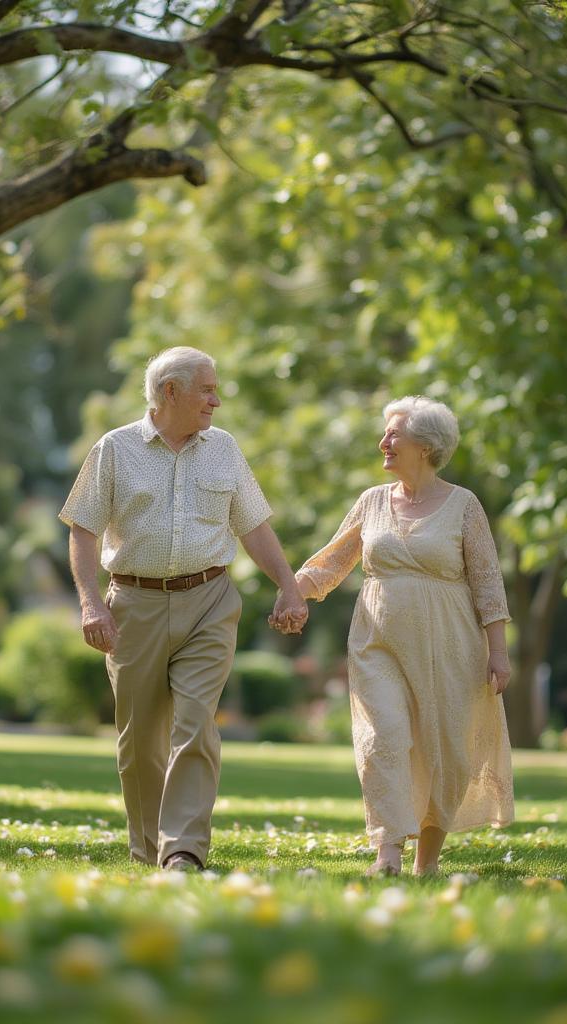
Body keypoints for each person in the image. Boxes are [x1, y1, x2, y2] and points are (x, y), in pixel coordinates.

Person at [60, 347, 307, 872]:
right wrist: (89, 604)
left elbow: (254, 527)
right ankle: (149, 850)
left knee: (196, 723)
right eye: (207, 390)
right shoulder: (114, 450)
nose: (216, 401)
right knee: (140, 742)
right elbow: (82, 531)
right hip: (133, 605)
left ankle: (183, 852)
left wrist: (288, 585)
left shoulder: (225, 450)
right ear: (170, 391)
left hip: (210, 601)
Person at [291, 396, 514, 877]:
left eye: (394, 434)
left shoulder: (463, 506)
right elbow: (331, 562)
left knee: (444, 749)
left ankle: (426, 863)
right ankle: (387, 851)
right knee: (384, 738)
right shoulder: (371, 502)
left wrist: (498, 650)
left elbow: (487, 581)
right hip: (378, 642)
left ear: (427, 445)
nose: (383, 442)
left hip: (451, 644)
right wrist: (294, 592)